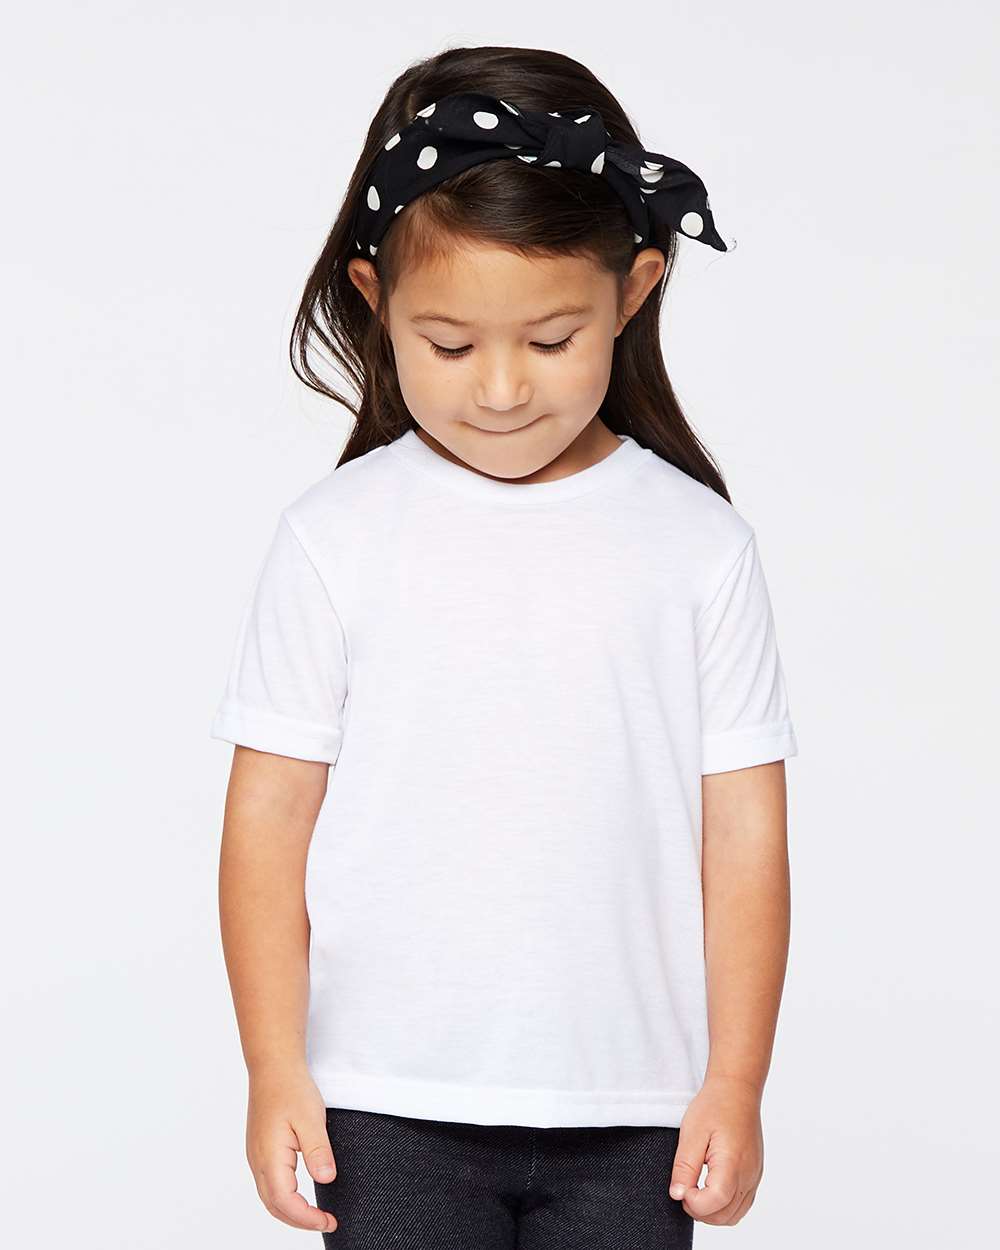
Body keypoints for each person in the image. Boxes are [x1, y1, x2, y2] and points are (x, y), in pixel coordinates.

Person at [210, 46, 798, 1249]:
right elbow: (268, 820)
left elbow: (744, 834)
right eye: (448, 344)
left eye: (549, 339)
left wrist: (736, 1078)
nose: (498, 390)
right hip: (383, 1101)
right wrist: (274, 1064)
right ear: (376, 299)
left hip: (633, 1109)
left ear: (632, 292)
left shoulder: (698, 545)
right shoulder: (336, 537)